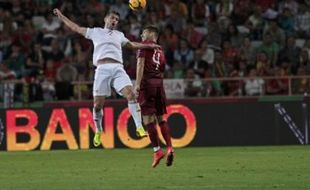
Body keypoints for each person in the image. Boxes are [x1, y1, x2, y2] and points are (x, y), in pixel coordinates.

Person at [53, 9, 159, 147]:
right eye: (112, 18)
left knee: (131, 95)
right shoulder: (95, 32)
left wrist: (149, 46)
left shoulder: (119, 35)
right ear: (105, 19)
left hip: (117, 68)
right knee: (97, 106)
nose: (114, 21)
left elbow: (132, 45)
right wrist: (61, 17)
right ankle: (98, 130)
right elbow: (76, 28)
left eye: (117, 20)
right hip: (102, 69)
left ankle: (139, 127)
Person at [134, 26, 174, 168]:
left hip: (147, 84)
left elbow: (140, 64)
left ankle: (157, 151)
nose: (141, 35)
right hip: (159, 83)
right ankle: (170, 148)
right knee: (161, 118)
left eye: (144, 32)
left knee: (148, 119)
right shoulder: (160, 49)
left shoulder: (144, 46)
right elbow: (162, 68)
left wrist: (137, 85)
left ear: (152, 34)